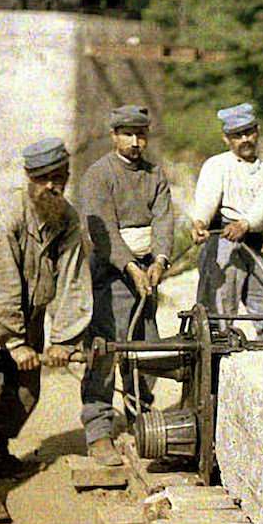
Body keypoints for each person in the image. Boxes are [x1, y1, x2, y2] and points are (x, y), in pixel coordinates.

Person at [0, 138, 92, 524]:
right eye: (44, 179)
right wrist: (13, 342)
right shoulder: (6, 218)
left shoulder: (67, 220)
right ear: (29, 178)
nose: (53, 186)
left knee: (26, 392)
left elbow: (73, 282)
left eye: (59, 178)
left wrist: (63, 338)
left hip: (26, 319)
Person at [78, 105, 174, 466]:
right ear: (114, 135)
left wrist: (161, 261)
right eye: (128, 135)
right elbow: (102, 229)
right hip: (109, 271)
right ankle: (99, 431)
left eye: (141, 135)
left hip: (146, 273)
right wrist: (129, 266)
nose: (136, 142)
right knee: (104, 349)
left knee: (145, 347)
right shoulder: (99, 175)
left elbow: (164, 220)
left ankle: (140, 418)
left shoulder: (155, 174)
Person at [192, 103, 263, 338]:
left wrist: (244, 225)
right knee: (217, 316)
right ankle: (214, 366)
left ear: (257, 132)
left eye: (249, 132)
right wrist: (200, 223)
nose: (245, 139)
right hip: (221, 244)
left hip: (252, 245)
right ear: (226, 139)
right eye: (237, 135)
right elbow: (207, 199)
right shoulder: (216, 165)